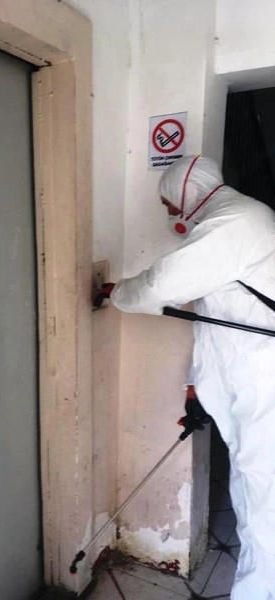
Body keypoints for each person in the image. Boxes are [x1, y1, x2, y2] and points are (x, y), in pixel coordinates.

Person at [106, 155, 275, 600]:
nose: (169, 212)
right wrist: (197, 385)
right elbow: (217, 319)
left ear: (186, 191)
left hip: (264, 381)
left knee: (266, 497)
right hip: (251, 377)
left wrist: (116, 293)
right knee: (252, 484)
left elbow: (161, 285)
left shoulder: (233, 222)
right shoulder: (237, 220)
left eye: (168, 202)